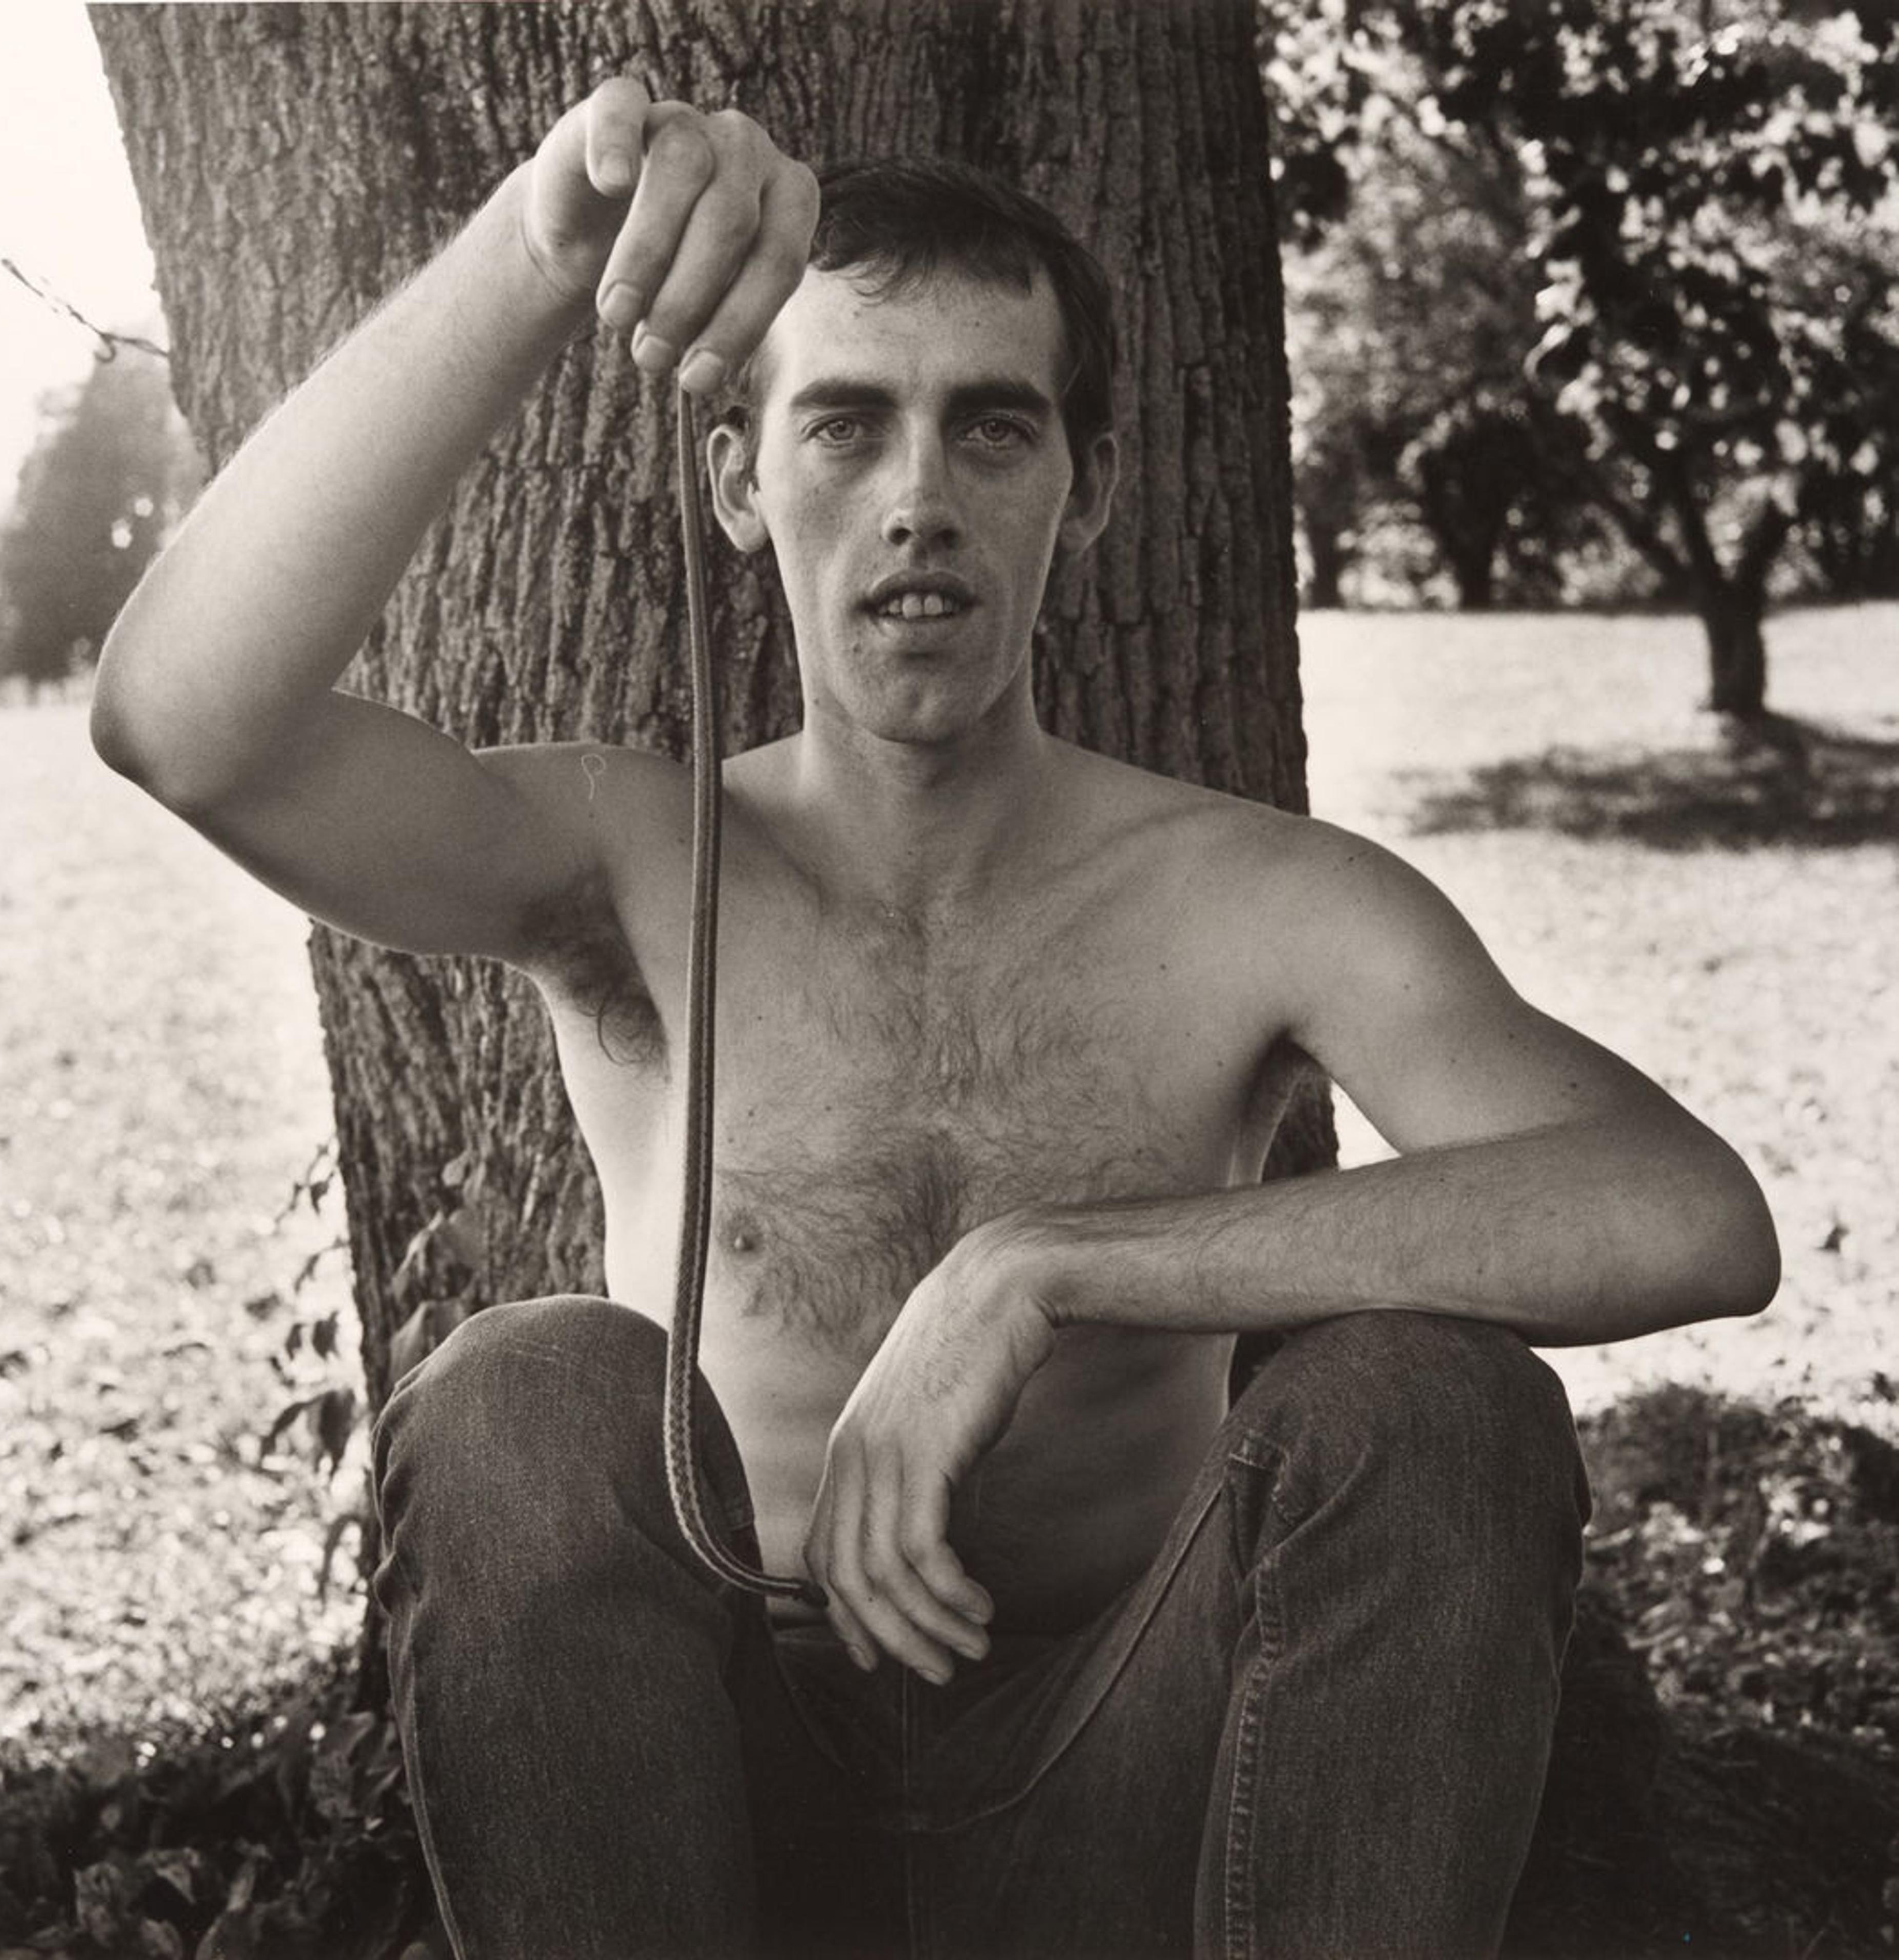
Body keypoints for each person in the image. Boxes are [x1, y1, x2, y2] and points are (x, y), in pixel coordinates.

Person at [92, 78, 1778, 1960]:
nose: (918, 505)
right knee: (519, 1389)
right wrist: (545, 249)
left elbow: (1686, 1212)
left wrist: (1041, 1266)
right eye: (845, 425)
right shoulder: (628, 858)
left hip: (1129, 1784)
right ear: (740, 481)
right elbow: (184, 724)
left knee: (1438, 1404)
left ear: (1091, 478)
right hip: (711, 1805)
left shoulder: (1260, 901)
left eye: (993, 428)